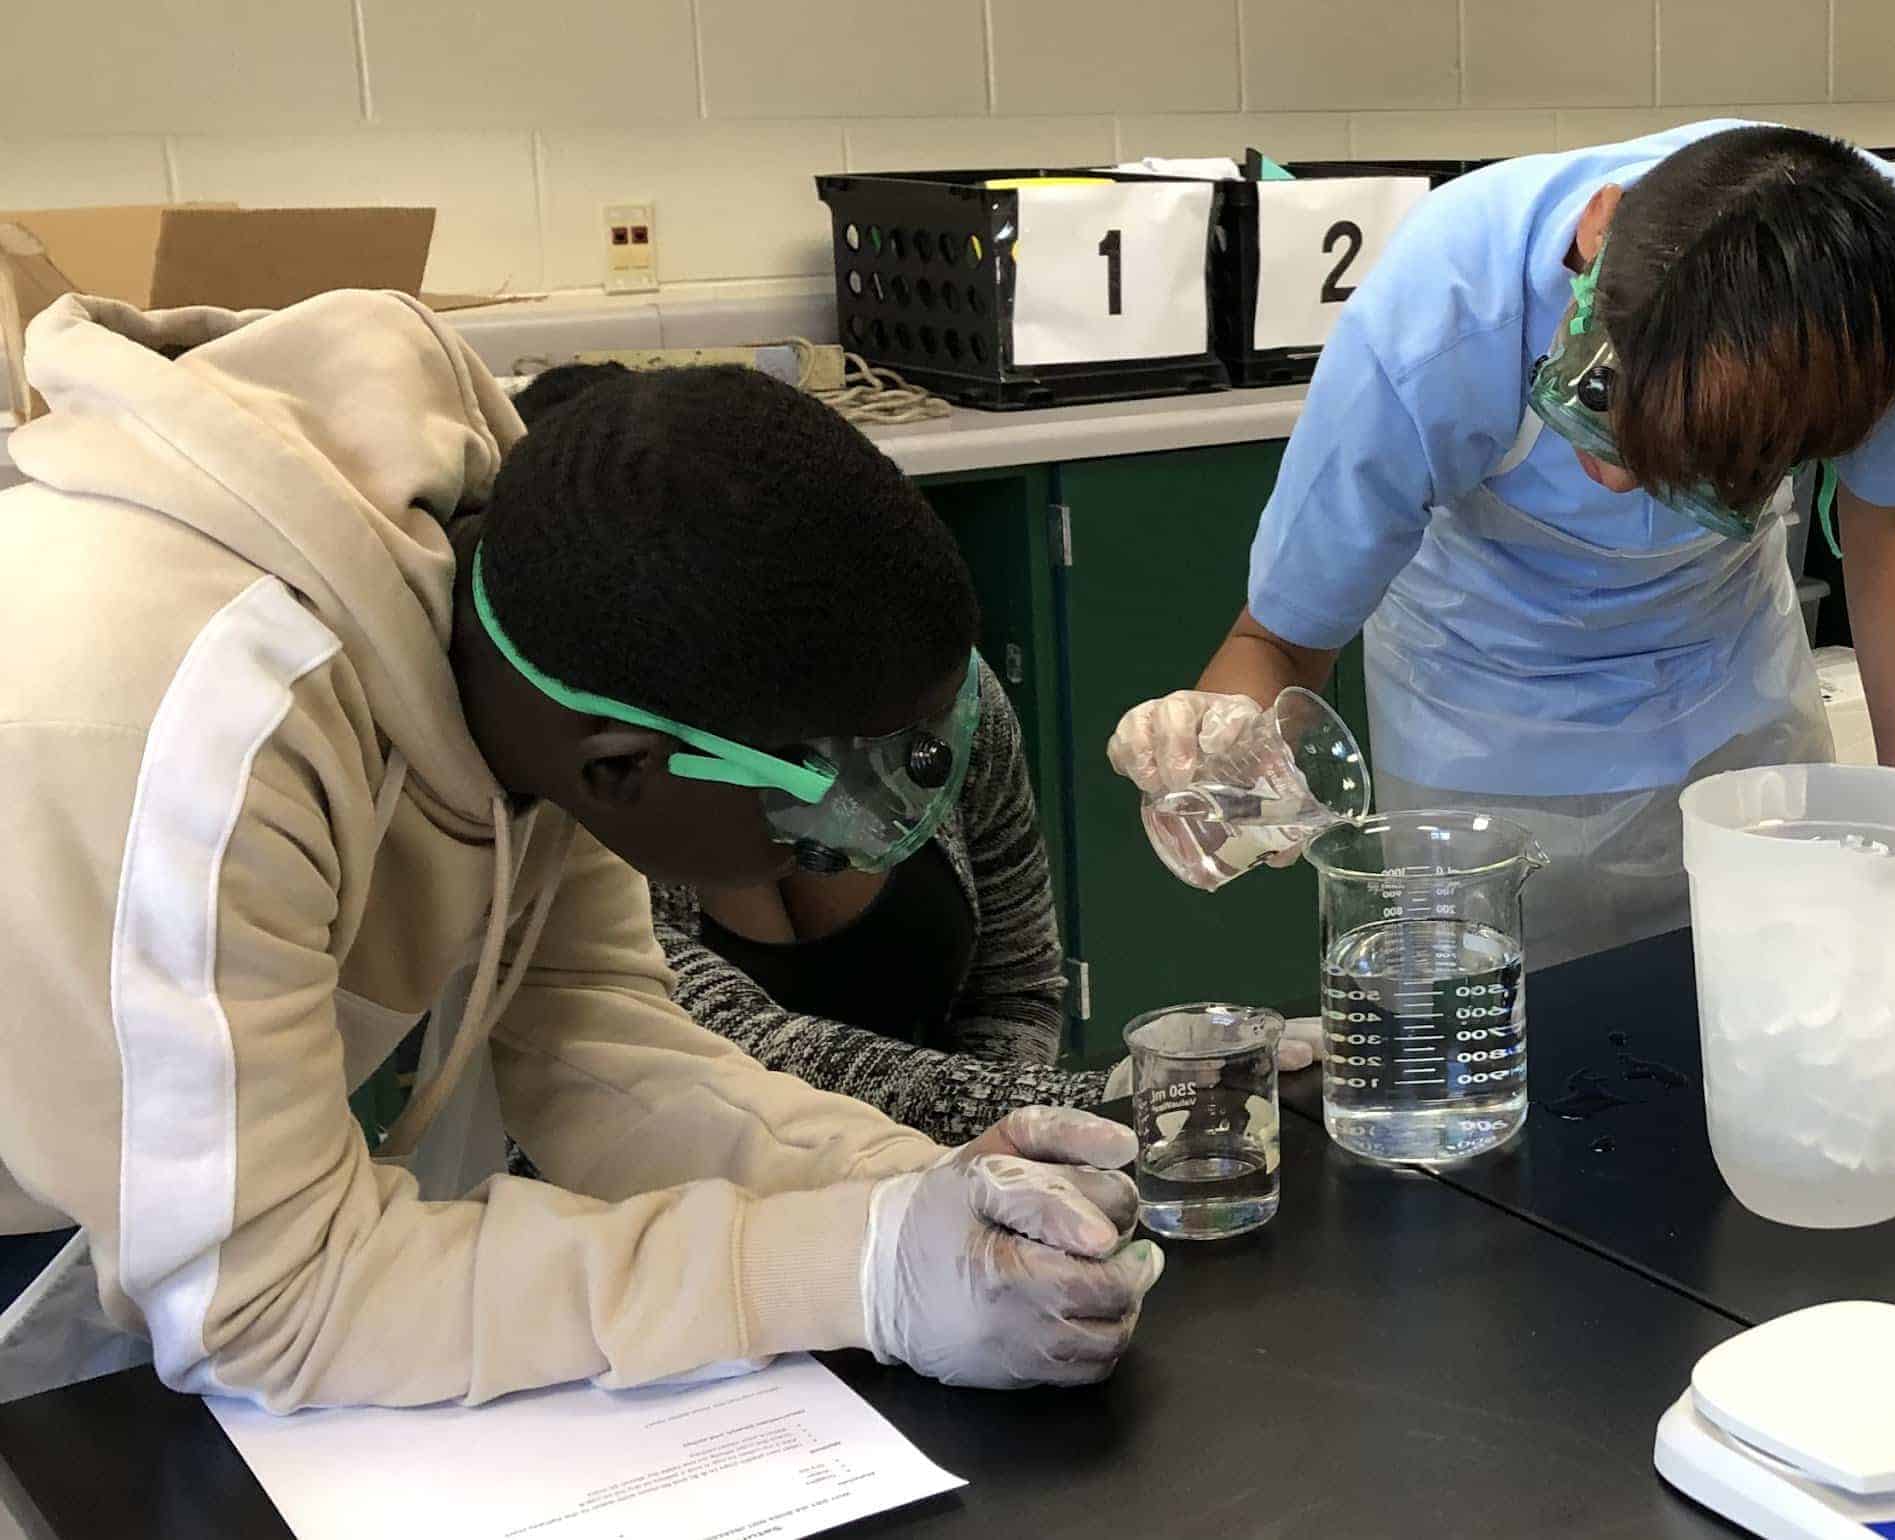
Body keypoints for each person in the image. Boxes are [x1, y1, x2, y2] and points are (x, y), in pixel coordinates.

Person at [0, 293, 1163, 1409]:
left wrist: (905, 1182)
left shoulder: (546, 630)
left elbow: (600, 1050)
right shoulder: (198, 728)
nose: (838, 853)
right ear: (623, 768)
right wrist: (851, 1271)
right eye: (817, 812)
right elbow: (267, 1306)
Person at [1112, 122, 1895, 965]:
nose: (1615, 480)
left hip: (1732, 701)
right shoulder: (1437, 314)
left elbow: (1889, 524)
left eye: (1692, 482)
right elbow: (1276, 643)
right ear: (1598, 232)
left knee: (1777, 994)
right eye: (1593, 408)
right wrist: (1212, 745)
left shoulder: (1881, 304)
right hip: (1484, 735)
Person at [502, 366, 1311, 1146]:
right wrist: (1088, 1104)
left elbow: (1017, 988)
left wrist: (1007, 1171)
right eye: (826, 771)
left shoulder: (927, 698)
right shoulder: (588, 826)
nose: (902, 780)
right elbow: (725, 1070)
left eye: (918, 747)